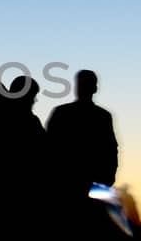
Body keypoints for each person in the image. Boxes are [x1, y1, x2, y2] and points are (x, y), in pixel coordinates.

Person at [45, 69, 118, 198]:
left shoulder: (61, 112)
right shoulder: (102, 116)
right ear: (95, 88)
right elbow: (110, 150)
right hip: (71, 183)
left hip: (66, 184)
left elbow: (110, 149)